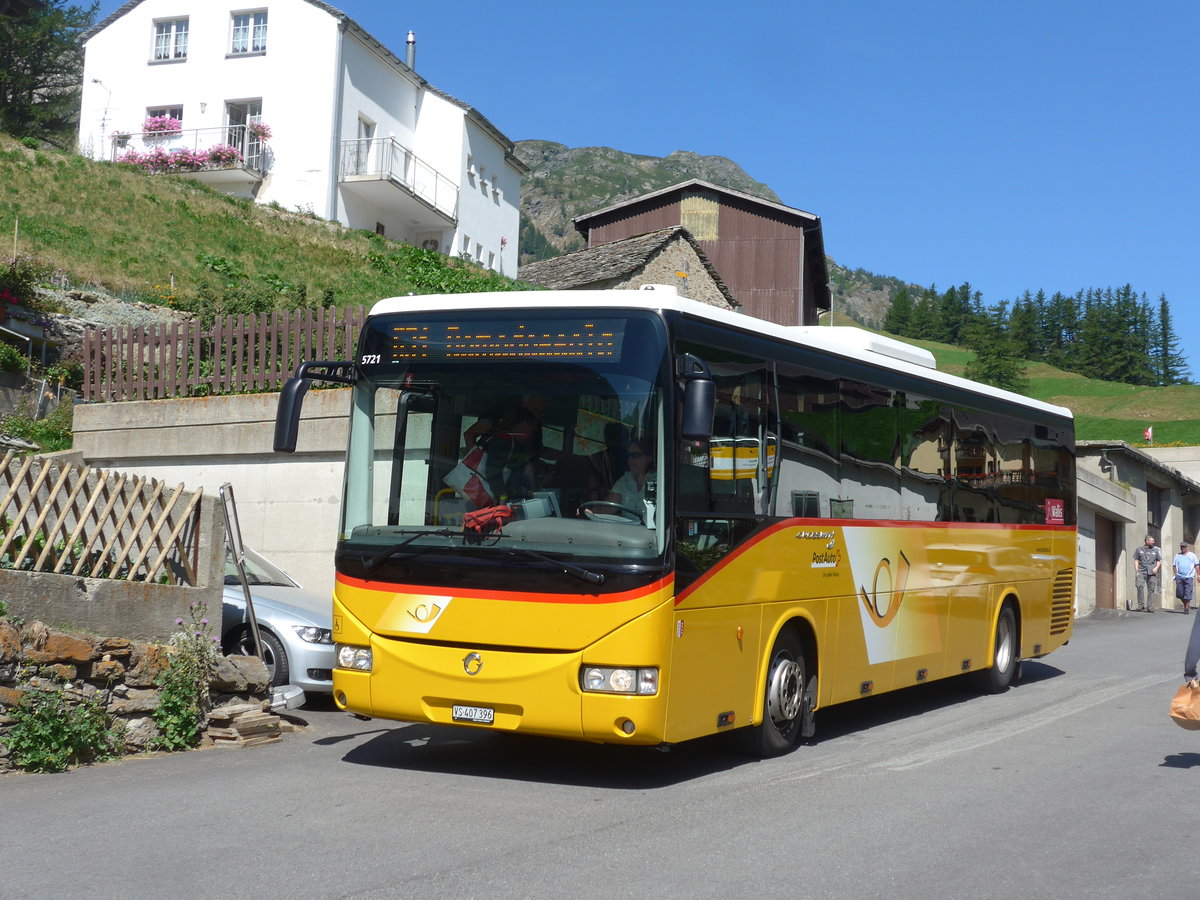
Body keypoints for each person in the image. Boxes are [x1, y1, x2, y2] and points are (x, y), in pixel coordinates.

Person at [607, 439, 652, 508]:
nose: (630, 460)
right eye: (629, 455)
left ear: (649, 458)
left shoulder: (659, 482)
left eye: (636, 455)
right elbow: (608, 507)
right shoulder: (624, 480)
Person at [1133, 534, 1162, 613]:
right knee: (1139, 586)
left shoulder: (1155, 550)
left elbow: (1159, 561)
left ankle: (1150, 606)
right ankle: (1141, 604)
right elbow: (1136, 560)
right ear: (1147, 541)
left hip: (1152, 572)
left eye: (1153, 541)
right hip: (1142, 571)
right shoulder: (1139, 549)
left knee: (1151, 589)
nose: (1153, 542)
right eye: (1152, 541)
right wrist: (1137, 570)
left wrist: (1156, 568)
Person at [1176, 542, 1197, 613]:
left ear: (1187, 547)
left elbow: (1197, 565)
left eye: (1184, 547)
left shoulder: (1192, 555)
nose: (1182, 548)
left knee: (1188, 593)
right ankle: (1186, 604)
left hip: (1189, 577)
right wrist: (1176, 574)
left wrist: (1199, 575)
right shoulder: (1177, 556)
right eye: (1181, 546)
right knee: (1180, 593)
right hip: (1179, 576)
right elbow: (1174, 566)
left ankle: (1186, 608)